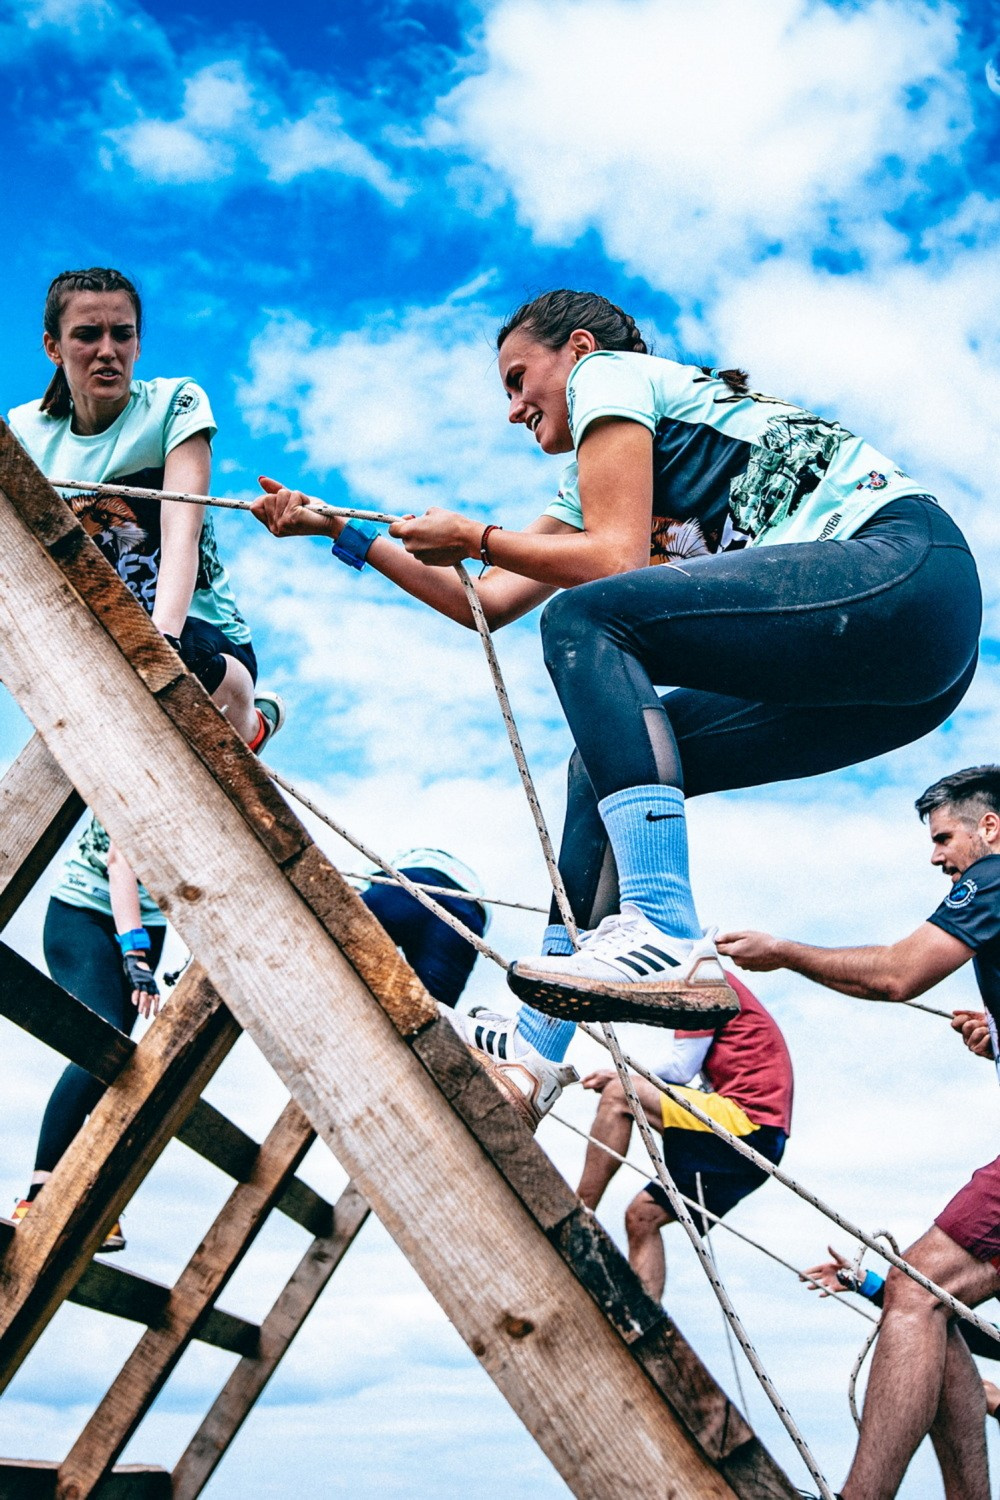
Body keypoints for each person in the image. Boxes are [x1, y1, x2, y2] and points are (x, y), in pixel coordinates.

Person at [251, 288, 981, 1116]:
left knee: (585, 616)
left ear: (580, 350)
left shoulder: (614, 376)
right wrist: (338, 532)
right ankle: (537, 1049)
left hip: (906, 571)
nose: (514, 408)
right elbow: (482, 604)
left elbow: (614, 562)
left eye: (520, 378)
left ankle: (664, 927)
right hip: (900, 680)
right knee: (600, 763)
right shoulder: (584, 486)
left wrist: (480, 537)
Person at [8, 266, 282, 1249]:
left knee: (228, 688)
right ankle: (57, 1186)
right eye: (88, 336)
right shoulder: (26, 439)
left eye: (123, 333)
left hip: (191, 639)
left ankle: (242, 731)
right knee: (113, 1027)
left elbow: (180, 530)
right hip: (98, 666)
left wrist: (155, 654)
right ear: (54, 346)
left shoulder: (173, 405)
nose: (109, 352)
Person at [719, 765, 1000, 1500]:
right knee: (932, 1301)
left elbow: (897, 975)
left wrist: (786, 954)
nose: (937, 858)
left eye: (944, 839)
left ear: (991, 830)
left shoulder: (995, 878)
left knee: (915, 1289)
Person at [575, 970, 792, 1299]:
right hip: (763, 1140)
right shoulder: (708, 980)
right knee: (642, 1216)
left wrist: (623, 1078)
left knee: (621, 1093)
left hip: (747, 1126)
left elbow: (680, 1069)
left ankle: (578, 1214)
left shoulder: (700, 978)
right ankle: (648, 1333)